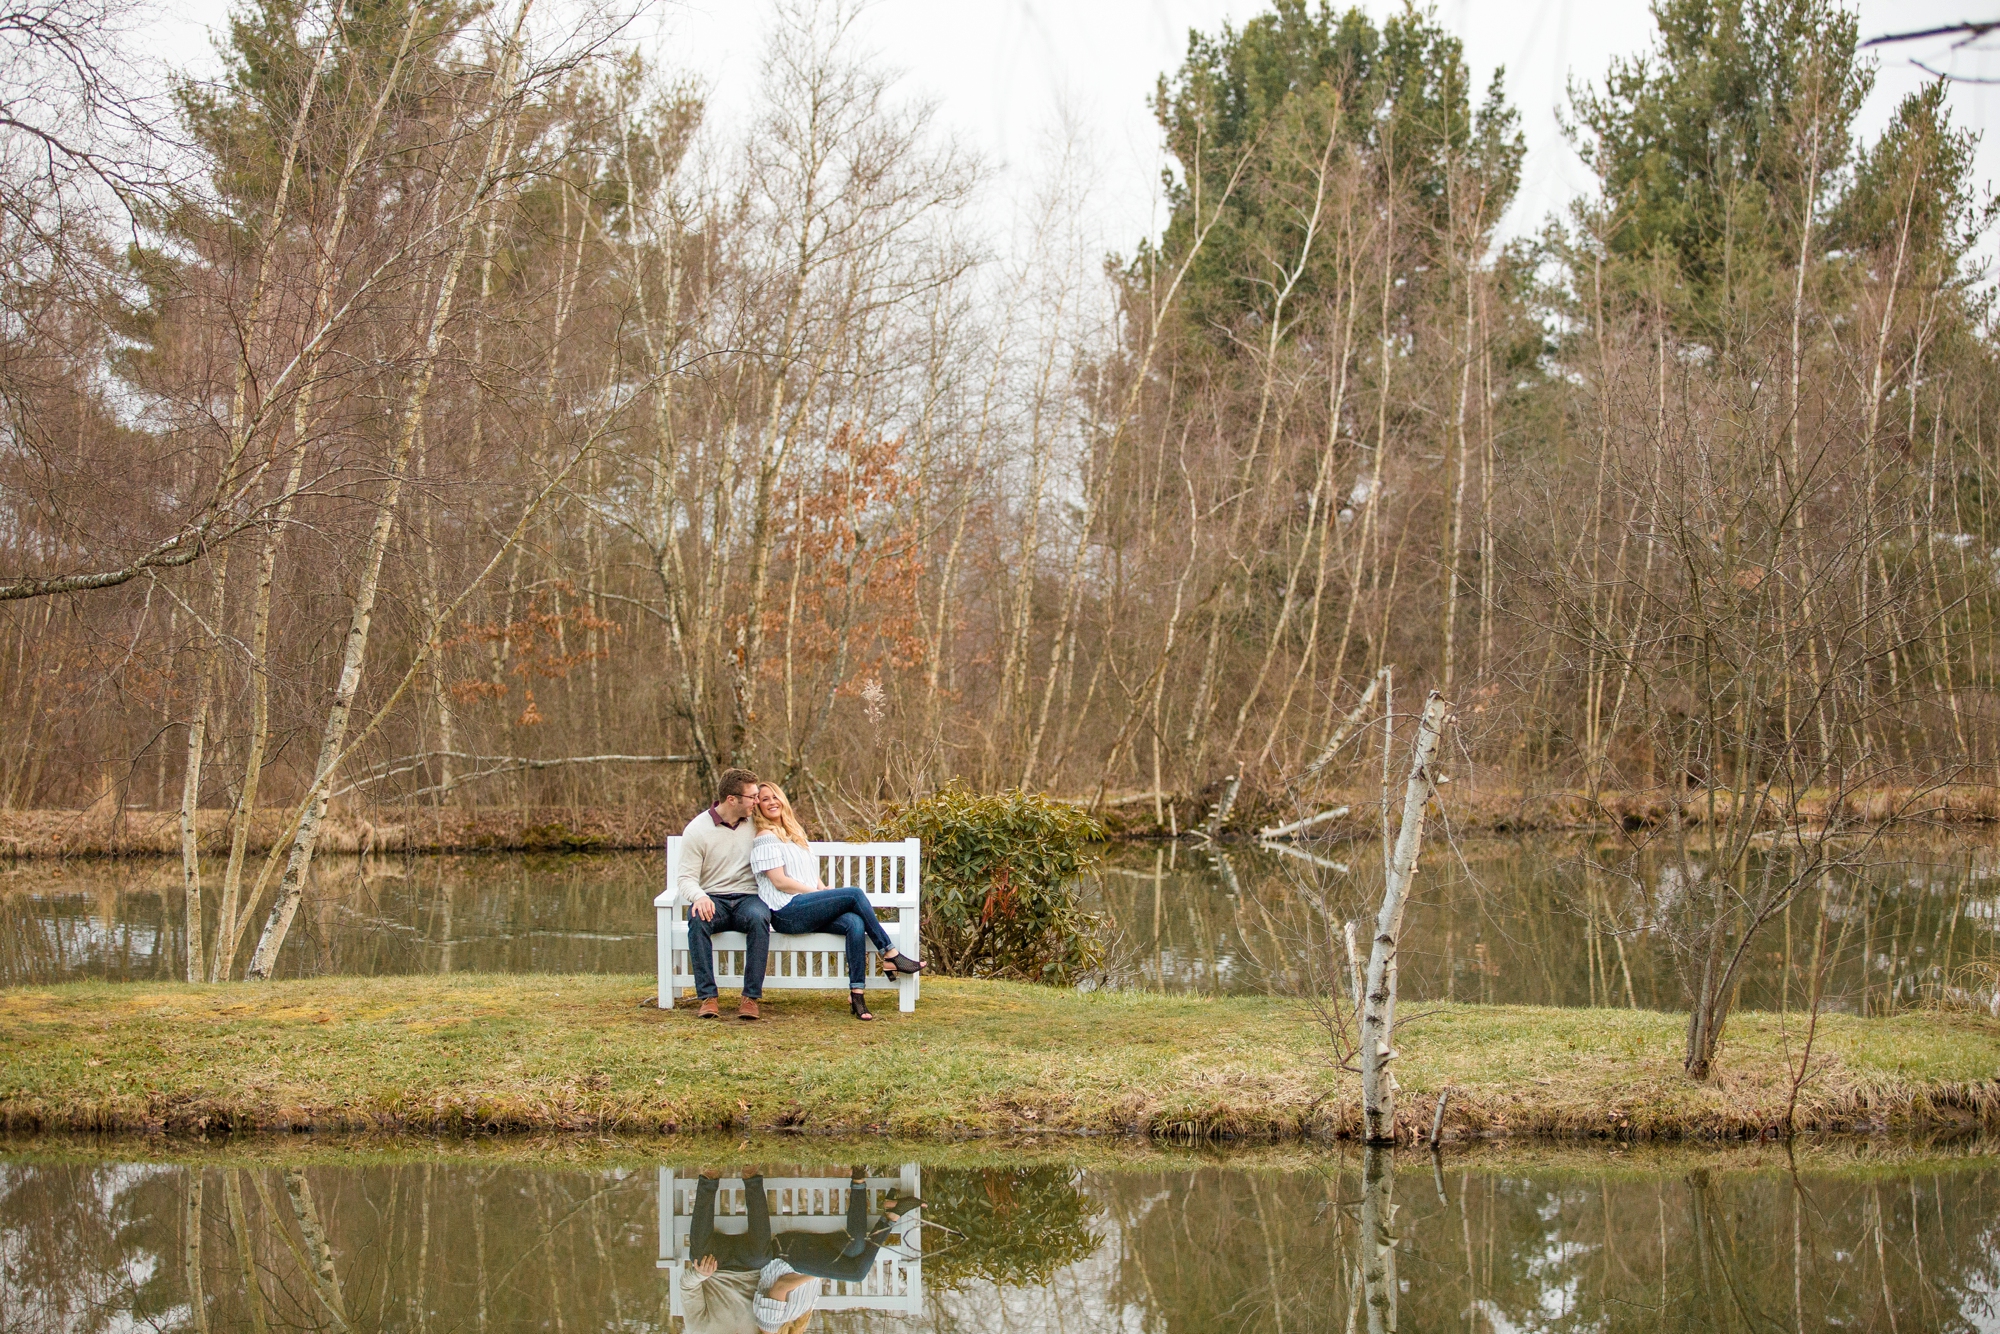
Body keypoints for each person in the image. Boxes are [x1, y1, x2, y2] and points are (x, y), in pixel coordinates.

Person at [749, 782, 923, 1021]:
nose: (771, 802)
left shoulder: (794, 834)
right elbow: (779, 882)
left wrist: (823, 890)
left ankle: (857, 994)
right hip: (786, 911)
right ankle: (890, 953)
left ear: (783, 800)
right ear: (757, 806)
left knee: (854, 922)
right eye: (765, 799)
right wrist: (816, 894)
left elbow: (809, 874)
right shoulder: (765, 837)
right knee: (854, 894)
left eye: (775, 796)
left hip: (805, 904)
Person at [676, 768, 768, 1020]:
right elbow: (685, 878)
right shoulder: (697, 830)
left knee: (760, 918)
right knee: (697, 918)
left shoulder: (757, 824)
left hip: (748, 898)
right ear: (731, 799)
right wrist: (699, 896)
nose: (757, 801)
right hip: (713, 899)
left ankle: (750, 998)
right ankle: (708, 997)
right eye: (752, 797)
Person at [681, 1169, 770, 1334]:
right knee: (761, 1257)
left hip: (715, 1266)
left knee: (699, 1257)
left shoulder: (698, 1330)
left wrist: (700, 1274)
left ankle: (709, 1177)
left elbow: (687, 1287)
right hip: (749, 1267)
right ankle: (751, 1176)